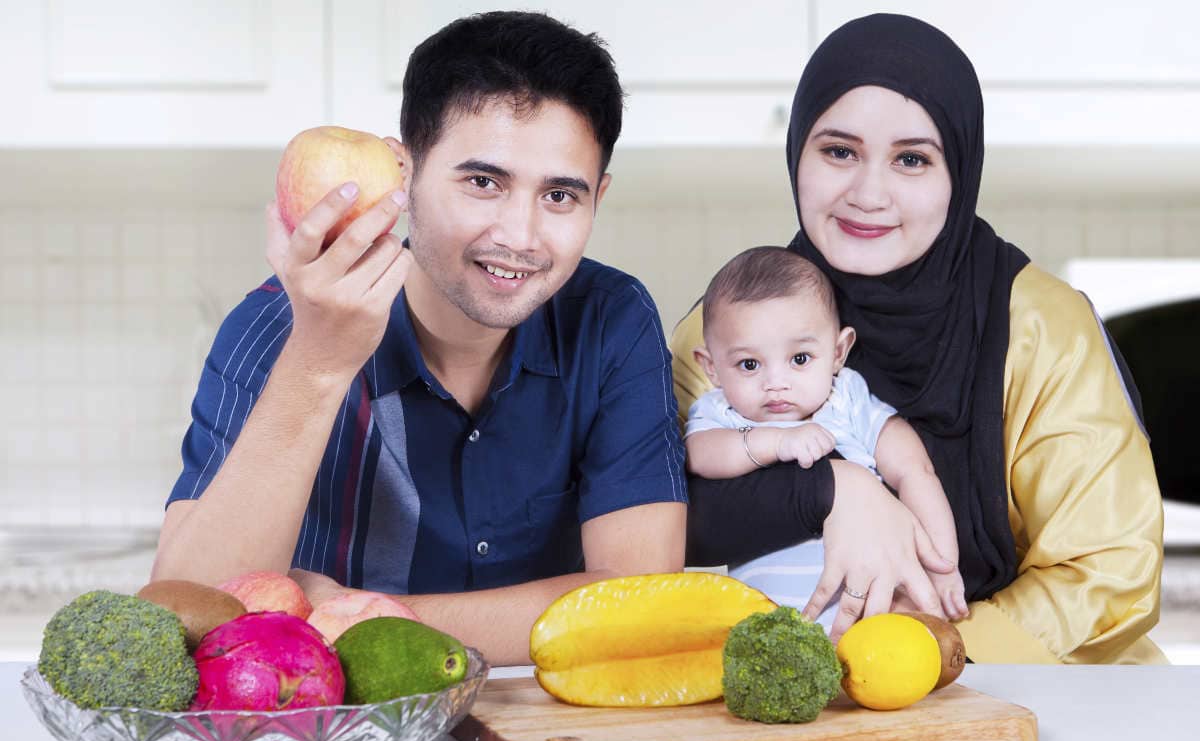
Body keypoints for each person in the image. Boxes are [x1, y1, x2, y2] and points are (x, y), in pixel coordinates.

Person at [151, 11, 687, 666]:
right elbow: (187, 615)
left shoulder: (610, 321)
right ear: (403, 174)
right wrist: (318, 365)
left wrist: (346, 615)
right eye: (483, 182)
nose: (519, 235)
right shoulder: (281, 324)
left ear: (598, 198)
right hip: (333, 736)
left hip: (539, 730)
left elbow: (641, 604)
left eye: (560, 197)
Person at [670, 13, 1166, 662]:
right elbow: (666, 522)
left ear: (959, 169)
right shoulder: (726, 332)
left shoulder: (1043, 326)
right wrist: (833, 491)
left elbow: (1107, 575)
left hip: (1038, 697)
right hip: (800, 694)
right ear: (797, 152)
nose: (869, 194)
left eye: (911, 159)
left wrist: (926, 651)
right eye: (839, 151)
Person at [684, 246, 966, 627]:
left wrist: (943, 567)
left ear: (837, 352)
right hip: (772, 615)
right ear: (712, 367)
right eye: (749, 364)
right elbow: (699, 456)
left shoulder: (846, 398)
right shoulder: (722, 411)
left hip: (873, 599)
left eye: (800, 358)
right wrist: (775, 443)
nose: (776, 384)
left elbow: (915, 471)